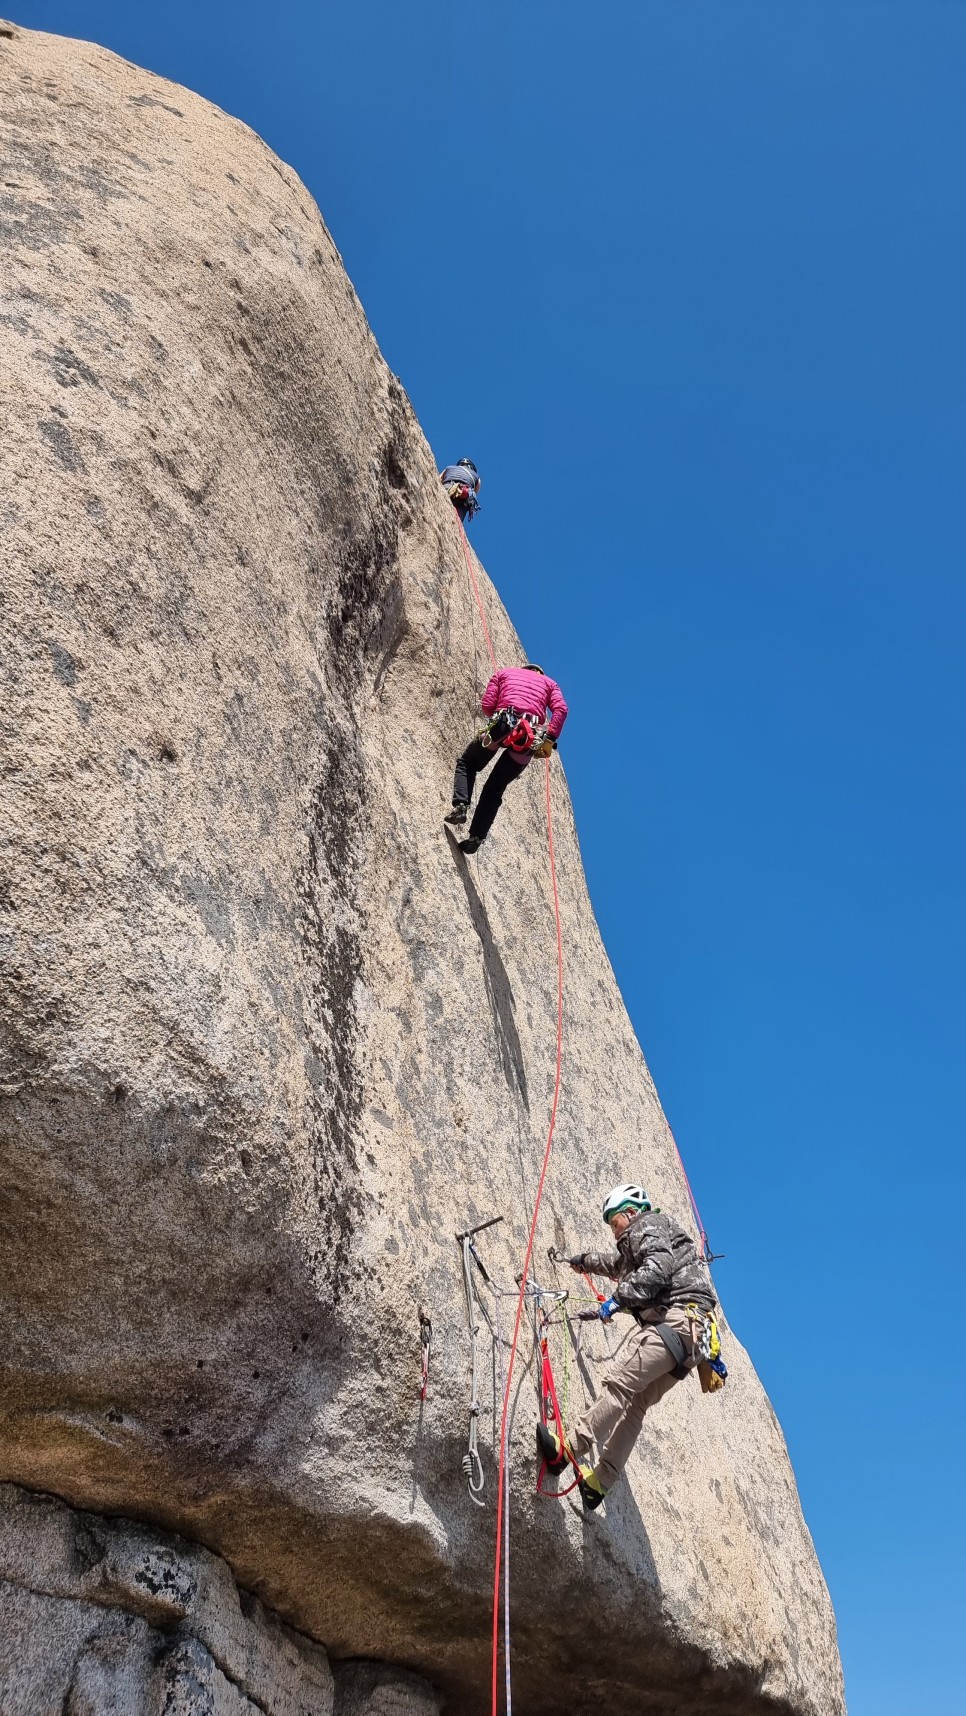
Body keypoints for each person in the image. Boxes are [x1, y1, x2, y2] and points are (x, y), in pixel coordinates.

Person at [537, 1184, 716, 1511]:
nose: (614, 1232)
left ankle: (570, 1449)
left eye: (615, 1223)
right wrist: (583, 1262)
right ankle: (599, 1484)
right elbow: (620, 1266)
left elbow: (656, 1267)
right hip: (694, 1339)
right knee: (636, 1405)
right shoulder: (653, 1237)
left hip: (676, 1323)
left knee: (620, 1385)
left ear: (631, 1213)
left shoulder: (646, 1224)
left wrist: (617, 1300)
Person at [444, 663, 568, 854]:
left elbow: (487, 706)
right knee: (495, 788)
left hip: (502, 724)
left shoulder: (504, 673)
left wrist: (499, 711)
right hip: (529, 736)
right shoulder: (550, 684)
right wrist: (550, 737)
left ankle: (461, 806)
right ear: (540, 673)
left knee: (468, 763)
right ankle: (476, 837)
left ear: (524, 669)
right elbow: (561, 710)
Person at [439, 458, 481, 523]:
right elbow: (475, 493)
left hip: (448, 487)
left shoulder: (449, 468)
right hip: (464, 494)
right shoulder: (477, 477)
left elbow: (438, 479)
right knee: (457, 518)